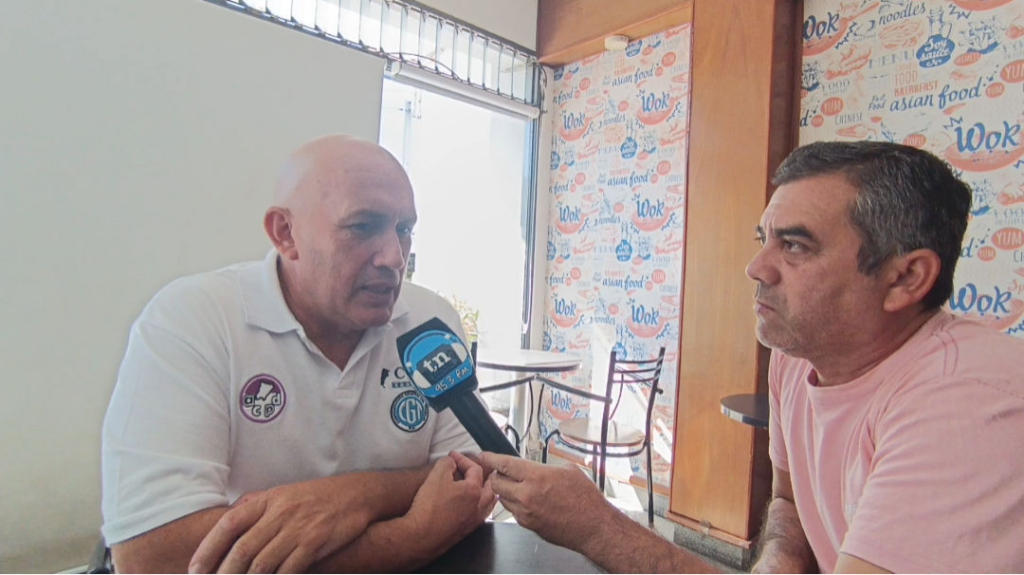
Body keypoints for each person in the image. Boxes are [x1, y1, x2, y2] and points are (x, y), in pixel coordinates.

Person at [481, 141, 1024, 573]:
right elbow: (789, 500)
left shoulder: (968, 407)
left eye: (795, 245)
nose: (756, 267)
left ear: (905, 278)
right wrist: (779, 561)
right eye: (764, 238)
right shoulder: (796, 356)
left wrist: (598, 528)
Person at [101, 135, 495, 573]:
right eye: (363, 227)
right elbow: (153, 557)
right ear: (285, 233)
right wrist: (407, 540)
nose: (394, 257)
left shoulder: (428, 321)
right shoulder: (192, 320)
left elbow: (476, 475)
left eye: (404, 230)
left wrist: (354, 496)